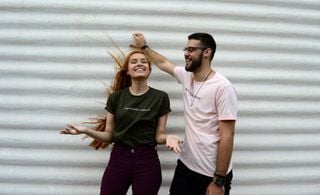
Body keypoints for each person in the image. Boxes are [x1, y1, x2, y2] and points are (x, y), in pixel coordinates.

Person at [60, 49, 182, 195]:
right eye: (134, 61)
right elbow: (109, 136)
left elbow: (159, 136)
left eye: (144, 62)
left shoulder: (160, 97)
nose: (139, 64)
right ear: (128, 71)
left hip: (147, 162)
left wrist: (168, 138)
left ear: (149, 70)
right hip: (119, 159)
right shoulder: (116, 98)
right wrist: (86, 130)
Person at [131, 32, 237, 195]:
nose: (186, 53)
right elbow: (162, 62)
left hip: (211, 174)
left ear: (206, 52)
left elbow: (227, 136)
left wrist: (219, 179)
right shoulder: (187, 76)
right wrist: (144, 47)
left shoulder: (222, 87)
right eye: (185, 49)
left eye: (191, 49)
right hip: (186, 166)